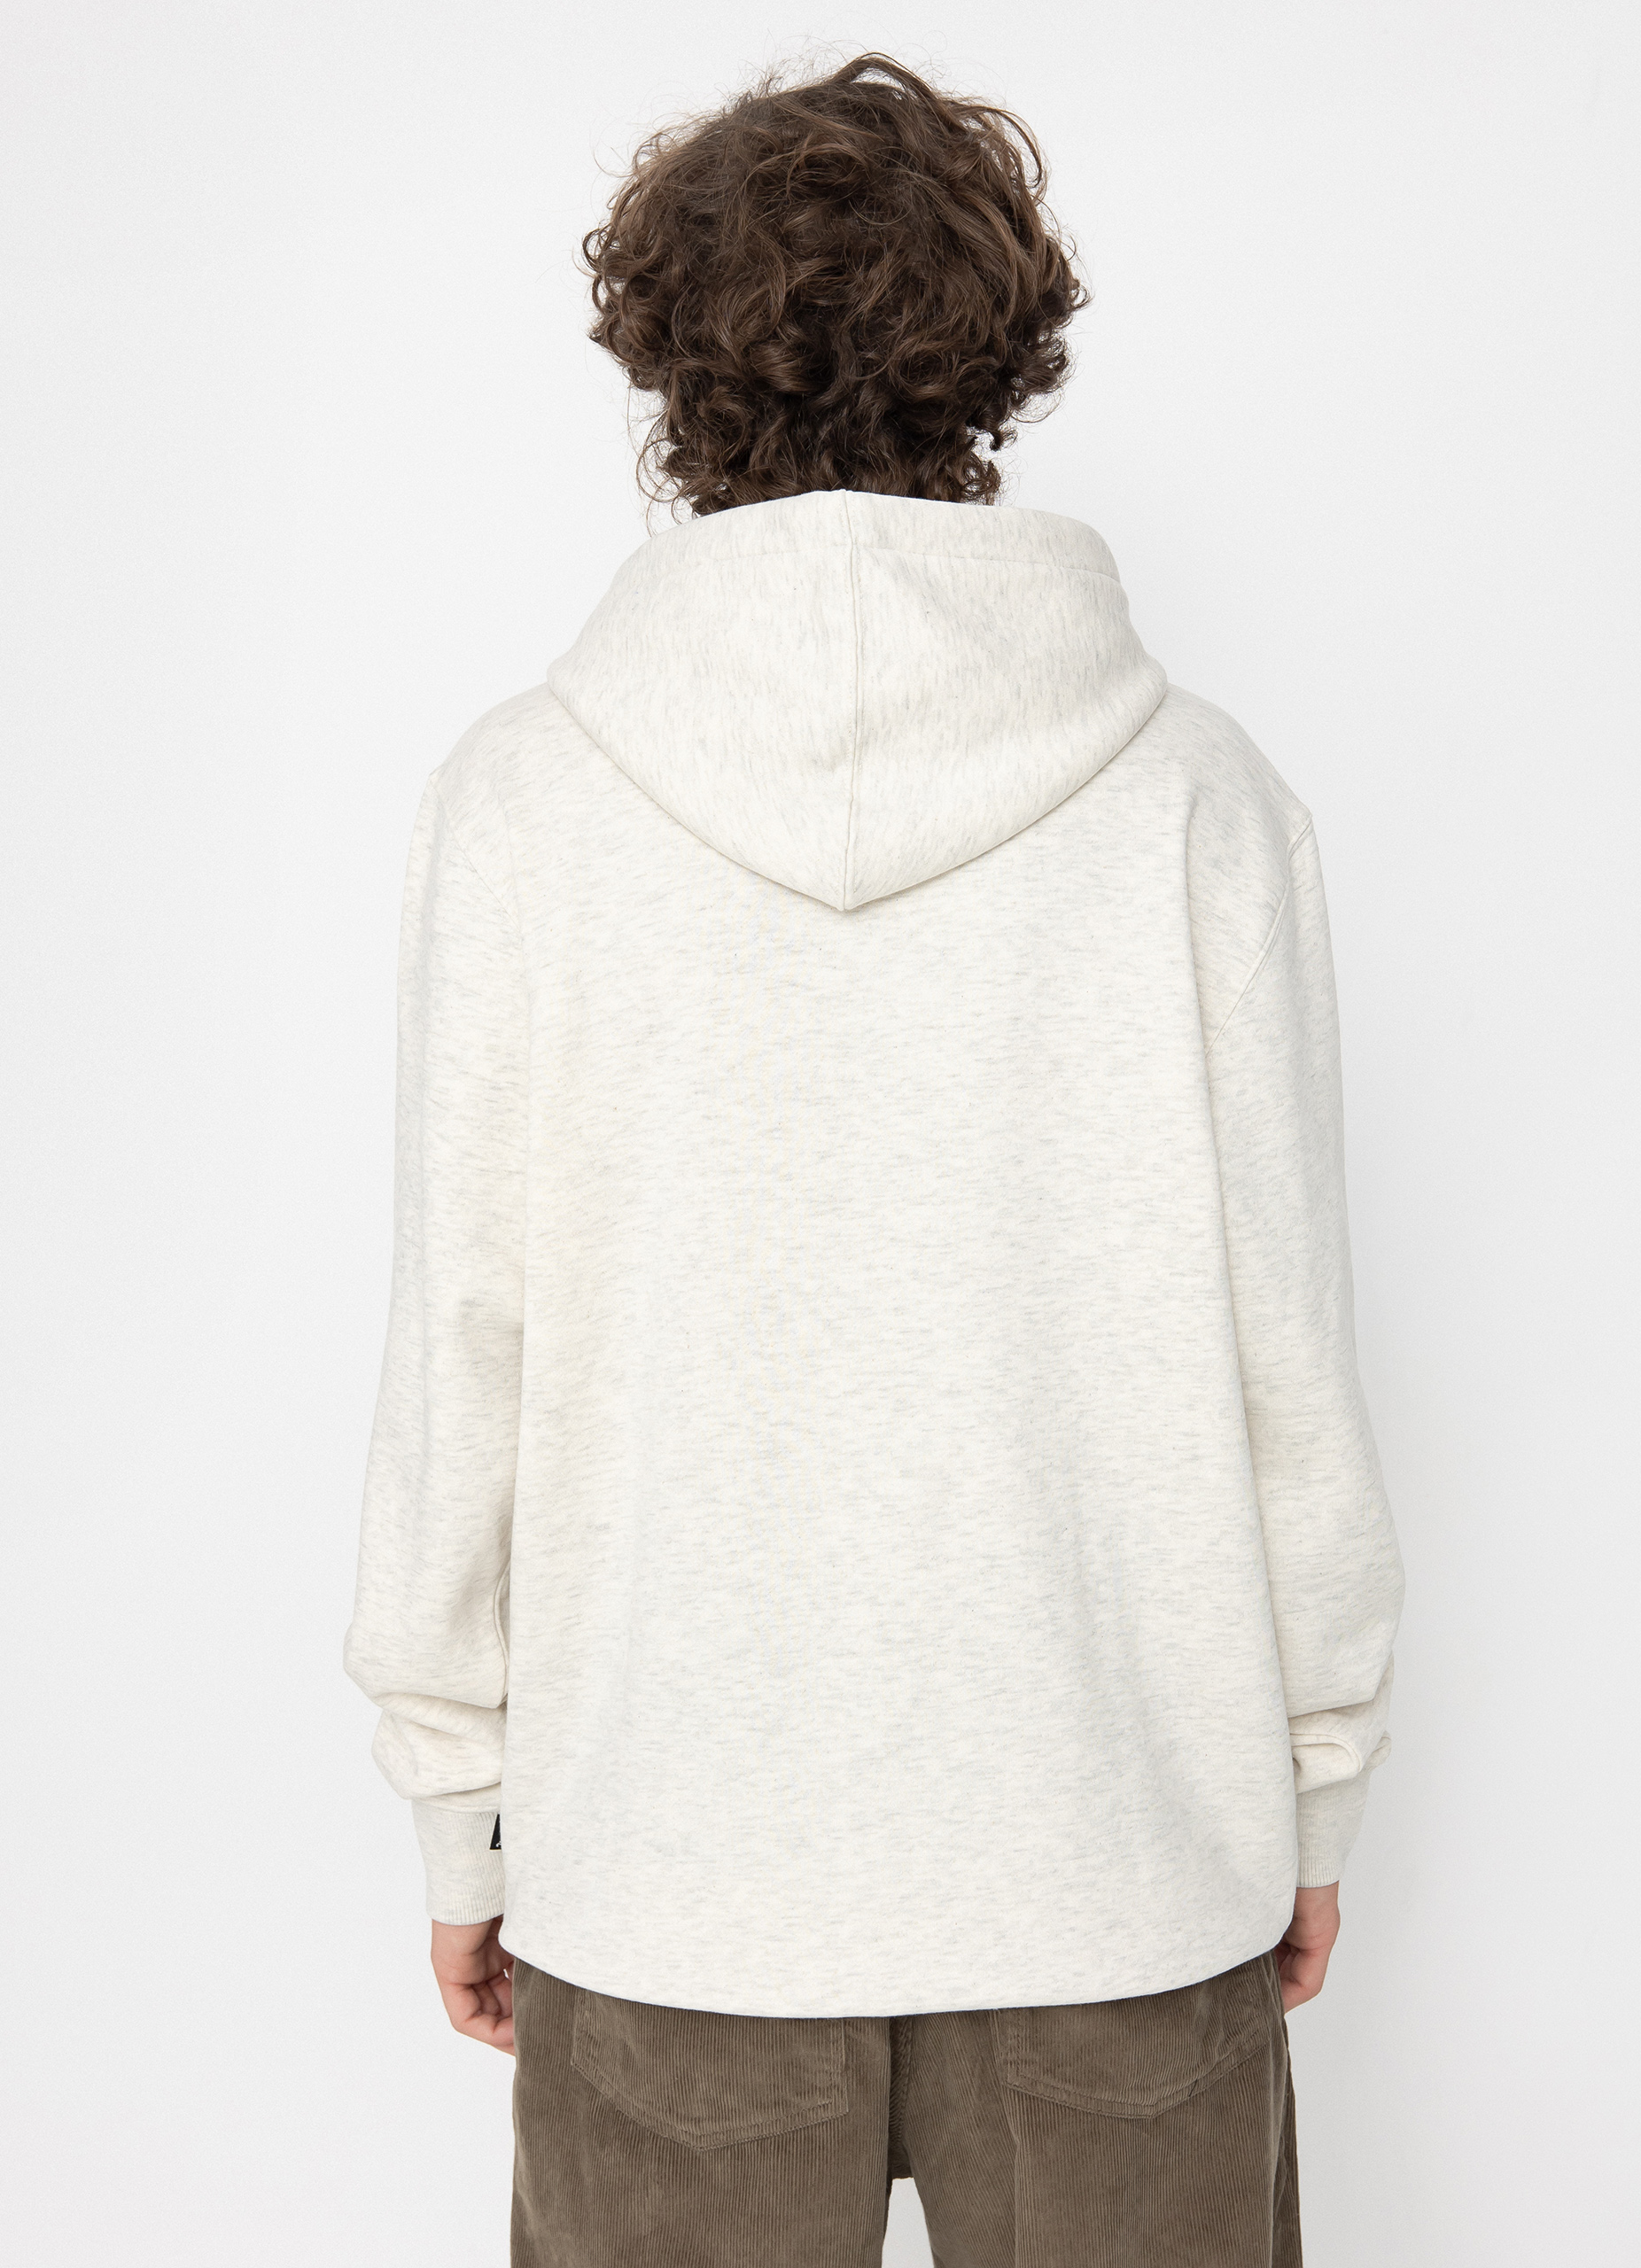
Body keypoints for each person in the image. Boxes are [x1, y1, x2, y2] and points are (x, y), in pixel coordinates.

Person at [345, 50, 1404, 2267]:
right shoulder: (1195, 800)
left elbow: (467, 1342)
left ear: (666, 364)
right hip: (1122, 1859)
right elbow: (1286, 1348)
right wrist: (1313, 1775)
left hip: (671, 1876)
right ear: (996, 357)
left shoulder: (525, 800)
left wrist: (462, 1806)